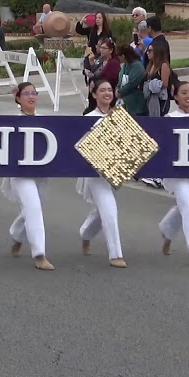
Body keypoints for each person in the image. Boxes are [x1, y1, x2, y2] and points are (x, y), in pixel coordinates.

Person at [3, 84, 55, 270]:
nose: (31, 97)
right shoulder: (12, 122)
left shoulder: (45, 121)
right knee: (33, 208)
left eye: (34, 93)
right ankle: (39, 255)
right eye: (26, 94)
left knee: (32, 209)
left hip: (40, 174)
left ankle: (17, 236)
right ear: (18, 98)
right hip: (20, 174)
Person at [79, 80, 127, 268]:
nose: (107, 93)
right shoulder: (88, 118)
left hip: (114, 173)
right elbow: (81, 146)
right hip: (95, 174)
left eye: (110, 90)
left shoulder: (120, 116)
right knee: (109, 208)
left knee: (102, 211)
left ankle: (85, 234)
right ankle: (115, 254)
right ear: (94, 94)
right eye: (102, 90)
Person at [159, 82, 189, 268]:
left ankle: (166, 230)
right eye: (184, 92)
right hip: (176, 172)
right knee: (188, 205)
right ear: (175, 96)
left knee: (186, 205)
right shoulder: (169, 118)